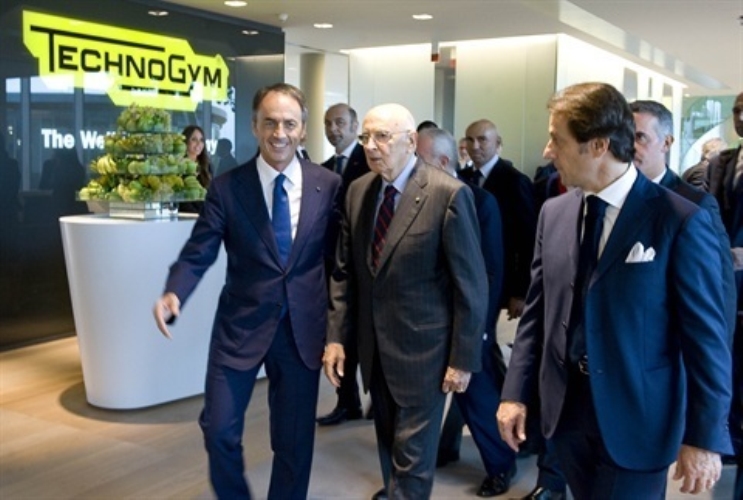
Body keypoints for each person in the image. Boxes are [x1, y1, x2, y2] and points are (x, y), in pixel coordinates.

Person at [497, 82, 733, 499]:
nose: (548, 151)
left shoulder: (678, 219)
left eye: (557, 139)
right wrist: (515, 393)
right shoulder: (554, 212)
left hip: (639, 418)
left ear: (599, 145)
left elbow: (706, 339)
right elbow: (538, 313)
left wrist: (705, 435)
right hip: (566, 414)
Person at [153, 83, 342, 499]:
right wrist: (175, 292)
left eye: (289, 124)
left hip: (302, 330)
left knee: (293, 442)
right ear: (255, 127)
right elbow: (199, 250)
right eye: (269, 123)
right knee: (218, 429)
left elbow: (338, 265)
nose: (279, 133)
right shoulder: (227, 187)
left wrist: (338, 332)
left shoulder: (328, 185)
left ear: (303, 129)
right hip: (240, 326)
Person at [323, 103, 488, 499]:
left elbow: (471, 284)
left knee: (412, 463)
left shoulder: (448, 194)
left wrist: (462, 359)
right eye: (365, 137)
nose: (371, 146)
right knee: (388, 445)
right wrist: (336, 338)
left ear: (411, 141)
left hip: (425, 354)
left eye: (382, 137)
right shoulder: (359, 192)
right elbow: (345, 273)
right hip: (374, 350)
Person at [417, 127, 518, 497]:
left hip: (469, 320)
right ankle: (440, 451)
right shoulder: (415, 198)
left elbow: (490, 270)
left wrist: (480, 326)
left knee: (477, 393)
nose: (412, 167)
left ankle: (501, 466)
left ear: (443, 161)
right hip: (428, 319)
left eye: (420, 160)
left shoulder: (479, 201)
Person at [630, 99, 735, 337]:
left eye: (640, 137)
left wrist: (716, 352)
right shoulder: (610, 199)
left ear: (666, 143)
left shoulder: (694, 204)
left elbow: (721, 287)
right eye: (624, 138)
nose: (630, 147)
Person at [316, 103, 371, 426]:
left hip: (363, 263)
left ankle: (378, 399)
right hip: (330, 263)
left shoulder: (370, 163)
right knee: (339, 332)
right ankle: (346, 400)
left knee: (368, 335)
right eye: (328, 123)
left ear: (354, 125)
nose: (333, 129)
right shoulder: (323, 169)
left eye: (339, 122)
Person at [458, 119, 537, 321]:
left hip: (503, 282)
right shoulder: (460, 178)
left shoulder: (515, 181)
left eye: (482, 139)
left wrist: (520, 292)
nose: (475, 146)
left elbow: (528, 240)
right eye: (470, 140)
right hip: (467, 278)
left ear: (497, 143)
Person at [707, 91, 743, 499]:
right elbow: (710, 214)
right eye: (736, 111)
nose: (741, 117)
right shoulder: (721, 163)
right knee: (726, 367)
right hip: (723, 285)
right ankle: (728, 438)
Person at [179, 125, 213, 214]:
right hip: (186, 216)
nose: (198, 144)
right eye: (194, 139)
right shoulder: (179, 166)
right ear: (186, 142)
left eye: (201, 140)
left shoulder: (206, 165)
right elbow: (181, 199)